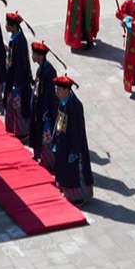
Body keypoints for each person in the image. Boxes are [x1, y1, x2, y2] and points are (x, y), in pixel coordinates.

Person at [47, 76, 93, 204]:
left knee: (76, 172)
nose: (56, 93)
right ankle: (68, 192)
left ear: (66, 90)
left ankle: (80, 196)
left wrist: (74, 150)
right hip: (63, 142)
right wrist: (54, 139)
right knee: (63, 169)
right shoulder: (62, 102)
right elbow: (58, 121)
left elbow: (78, 130)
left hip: (73, 144)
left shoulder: (75, 106)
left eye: (58, 90)